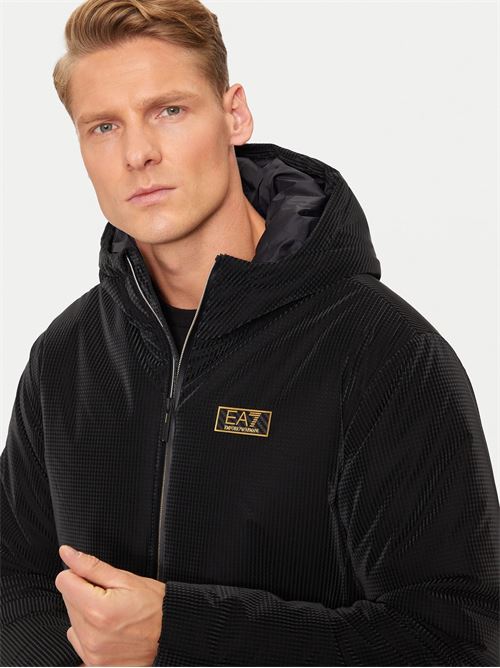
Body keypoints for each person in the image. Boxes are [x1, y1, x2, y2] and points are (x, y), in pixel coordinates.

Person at [1, 0, 499, 665]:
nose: (138, 154)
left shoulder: (385, 353)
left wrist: (179, 635)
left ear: (234, 114)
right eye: (104, 126)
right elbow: (15, 580)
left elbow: (456, 641)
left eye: (169, 111)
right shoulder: (67, 356)